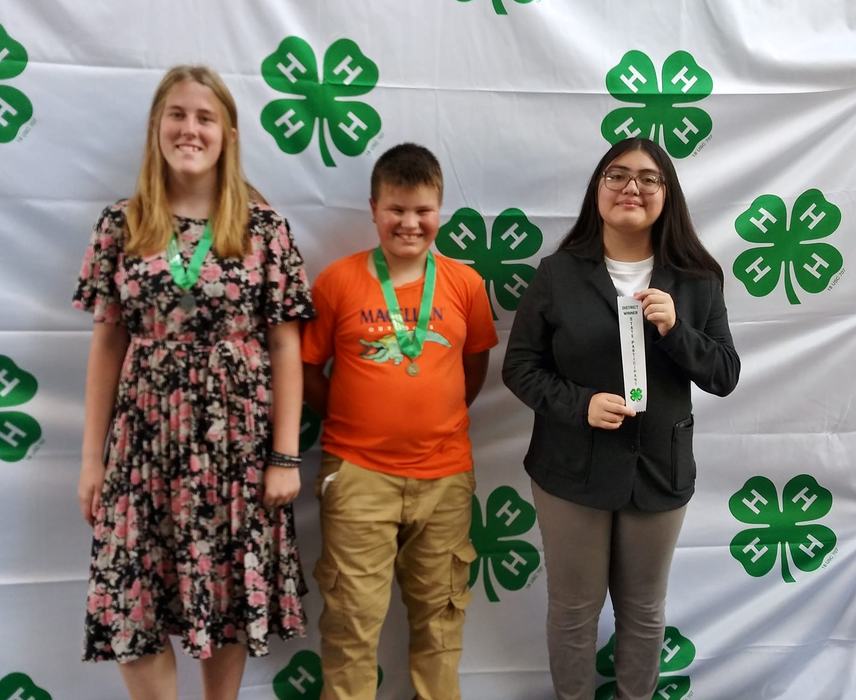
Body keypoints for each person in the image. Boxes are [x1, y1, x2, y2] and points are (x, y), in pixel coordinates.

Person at [73, 65, 314, 700]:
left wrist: (285, 457)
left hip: (236, 447)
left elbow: (287, 346)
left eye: (205, 117)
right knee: (133, 602)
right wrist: (90, 461)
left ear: (228, 134)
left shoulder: (264, 229)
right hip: (141, 450)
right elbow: (107, 345)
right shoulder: (120, 226)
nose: (190, 128)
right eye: (177, 115)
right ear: (157, 127)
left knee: (226, 592)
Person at [502, 137, 740, 700]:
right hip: (569, 470)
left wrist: (677, 331)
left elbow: (724, 374)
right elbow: (519, 367)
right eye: (616, 175)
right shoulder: (558, 274)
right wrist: (578, 404)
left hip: (659, 470)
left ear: (667, 195)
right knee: (574, 612)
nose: (630, 187)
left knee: (643, 611)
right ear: (598, 190)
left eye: (648, 178)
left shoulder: (698, 278)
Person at [301, 143, 498, 700]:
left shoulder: (464, 284)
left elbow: (474, 363)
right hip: (358, 476)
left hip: (446, 477)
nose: (409, 223)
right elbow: (307, 366)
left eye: (422, 211)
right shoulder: (338, 282)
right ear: (373, 208)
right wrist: (348, 417)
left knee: (440, 624)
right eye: (396, 209)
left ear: (440, 211)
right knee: (350, 626)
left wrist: (439, 412)